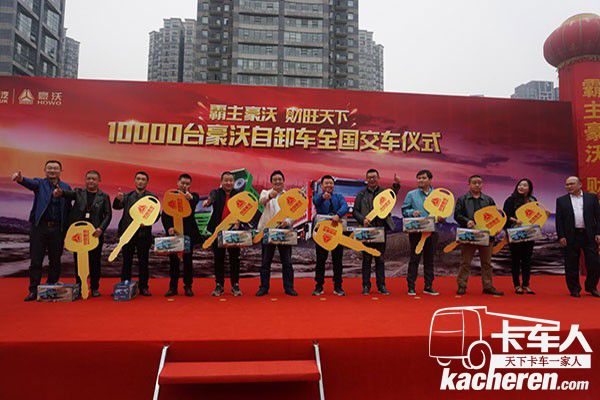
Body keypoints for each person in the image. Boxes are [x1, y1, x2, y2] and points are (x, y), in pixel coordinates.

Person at [12, 161, 72, 301]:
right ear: (45, 170)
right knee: (36, 260)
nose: (52, 170)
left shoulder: (66, 187)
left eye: (55, 168)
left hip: (58, 229)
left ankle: (51, 287)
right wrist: (20, 179)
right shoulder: (39, 183)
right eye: (49, 168)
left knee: (55, 260)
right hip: (40, 227)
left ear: (60, 171)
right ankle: (33, 290)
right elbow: (29, 183)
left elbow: (69, 208)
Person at [53, 170, 112, 297]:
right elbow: (67, 194)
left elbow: (108, 215)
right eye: (88, 178)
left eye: (94, 179)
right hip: (78, 233)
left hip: (95, 233)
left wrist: (101, 229)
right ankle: (79, 286)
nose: (91, 181)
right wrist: (60, 193)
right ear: (85, 180)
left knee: (95, 261)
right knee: (79, 261)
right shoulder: (78, 192)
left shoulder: (104, 196)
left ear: (99, 181)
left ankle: (95, 287)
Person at [352, 169, 401, 295]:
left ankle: (381, 286)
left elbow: (392, 195)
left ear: (378, 178)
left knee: (380, 259)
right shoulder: (361, 194)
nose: (372, 179)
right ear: (366, 179)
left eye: (374, 177)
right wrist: (362, 219)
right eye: (369, 177)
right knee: (366, 259)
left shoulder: (384, 192)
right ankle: (366, 286)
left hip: (381, 229)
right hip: (366, 230)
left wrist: (396, 185)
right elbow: (355, 211)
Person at [454, 175, 504, 296]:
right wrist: (467, 221)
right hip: (469, 235)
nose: (477, 185)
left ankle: (488, 286)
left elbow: (496, 216)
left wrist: (497, 229)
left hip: (487, 236)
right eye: (474, 183)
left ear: (482, 184)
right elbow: (457, 215)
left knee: (487, 263)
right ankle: (462, 285)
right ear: (469, 184)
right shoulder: (462, 199)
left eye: (479, 183)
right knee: (465, 262)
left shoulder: (488, 200)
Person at [113, 171, 157, 296]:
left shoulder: (152, 198)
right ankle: (124, 285)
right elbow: (116, 207)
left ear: (147, 182)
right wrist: (117, 199)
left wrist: (147, 222)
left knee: (143, 262)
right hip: (128, 233)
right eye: (138, 179)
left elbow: (156, 216)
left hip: (144, 234)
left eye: (143, 179)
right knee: (127, 261)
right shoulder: (127, 196)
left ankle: (144, 287)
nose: (140, 181)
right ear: (134, 181)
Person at [555, 176, 600, 298]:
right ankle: (574, 289)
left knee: (594, 262)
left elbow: (598, 217)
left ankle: (591, 287)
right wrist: (561, 236)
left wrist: (598, 233)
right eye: (567, 184)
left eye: (571, 184)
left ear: (580, 185)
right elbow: (559, 220)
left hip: (589, 235)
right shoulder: (561, 200)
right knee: (571, 263)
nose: (569, 186)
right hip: (571, 235)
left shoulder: (591, 198)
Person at [256, 170, 297, 297]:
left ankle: (289, 287)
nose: (277, 181)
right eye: (275, 180)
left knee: (287, 261)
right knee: (265, 261)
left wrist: (288, 221)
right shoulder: (265, 192)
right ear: (271, 182)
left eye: (280, 179)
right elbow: (261, 202)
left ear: (283, 181)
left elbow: (294, 212)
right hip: (267, 230)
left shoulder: (289, 196)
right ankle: (264, 287)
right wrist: (270, 196)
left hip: (284, 230)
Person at [401, 169, 441, 296]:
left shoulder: (438, 195)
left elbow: (443, 211)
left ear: (430, 179)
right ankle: (411, 286)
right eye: (419, 178)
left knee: (429, 259)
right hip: (416, 231)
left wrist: (442, 217)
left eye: (423, 178)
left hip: (432, 231)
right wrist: (412, 212)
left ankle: (428, 286)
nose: (420, 180)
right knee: (414, 258)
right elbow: (404, 210)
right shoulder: (411, 194)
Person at [203, 171, 242, 297]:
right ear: (221, 182)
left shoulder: (238, 194)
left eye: (231, 180)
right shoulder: (216, 193)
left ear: (234, 182)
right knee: (218, 259)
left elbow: (243, 212)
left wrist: (239, 222)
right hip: (218, 230)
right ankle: (219, 285)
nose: (228, 183)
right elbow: (211, 198)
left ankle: (235, 285)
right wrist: (208, 202)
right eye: (226, 180)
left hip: (233, 231)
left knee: (234, 259)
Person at [161, 173, 201, 297]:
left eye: (187, 184)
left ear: (190, 185)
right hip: (174, 233)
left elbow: (195, 199)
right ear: (178, 183)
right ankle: (173, 287)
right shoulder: (171, 196)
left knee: (188, 261)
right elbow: (165, 215)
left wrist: (189, 198)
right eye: (183, 183)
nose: (184, 185)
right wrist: (169, 227)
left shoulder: (192, 196)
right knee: (174, 262)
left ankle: (188, 286)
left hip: (188, 235)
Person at [312, 175, 349, 296]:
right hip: (322, 234)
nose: (329, 185)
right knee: (320, 260)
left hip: (336, 233)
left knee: (337, 260)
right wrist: (323, 197)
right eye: (326, 183)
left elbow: (345, 207)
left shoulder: (339, 197)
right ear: (322, 186)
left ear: (333, 185)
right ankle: (319, 286)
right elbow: (315, 201)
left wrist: (338, 215)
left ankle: (338, 286)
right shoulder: (318, 196)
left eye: (331, 183)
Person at [502, 178, 536, 295]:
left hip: (529, 233)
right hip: (515, 232)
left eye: (525, 185)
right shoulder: (510, 200)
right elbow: (505, 216)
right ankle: (517, 285)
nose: (521, 187)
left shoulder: (533, 200)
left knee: (527, 260)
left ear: (529, 188)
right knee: (516, 259)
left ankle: (526, 284)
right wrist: (515, 220)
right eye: (520, 185)